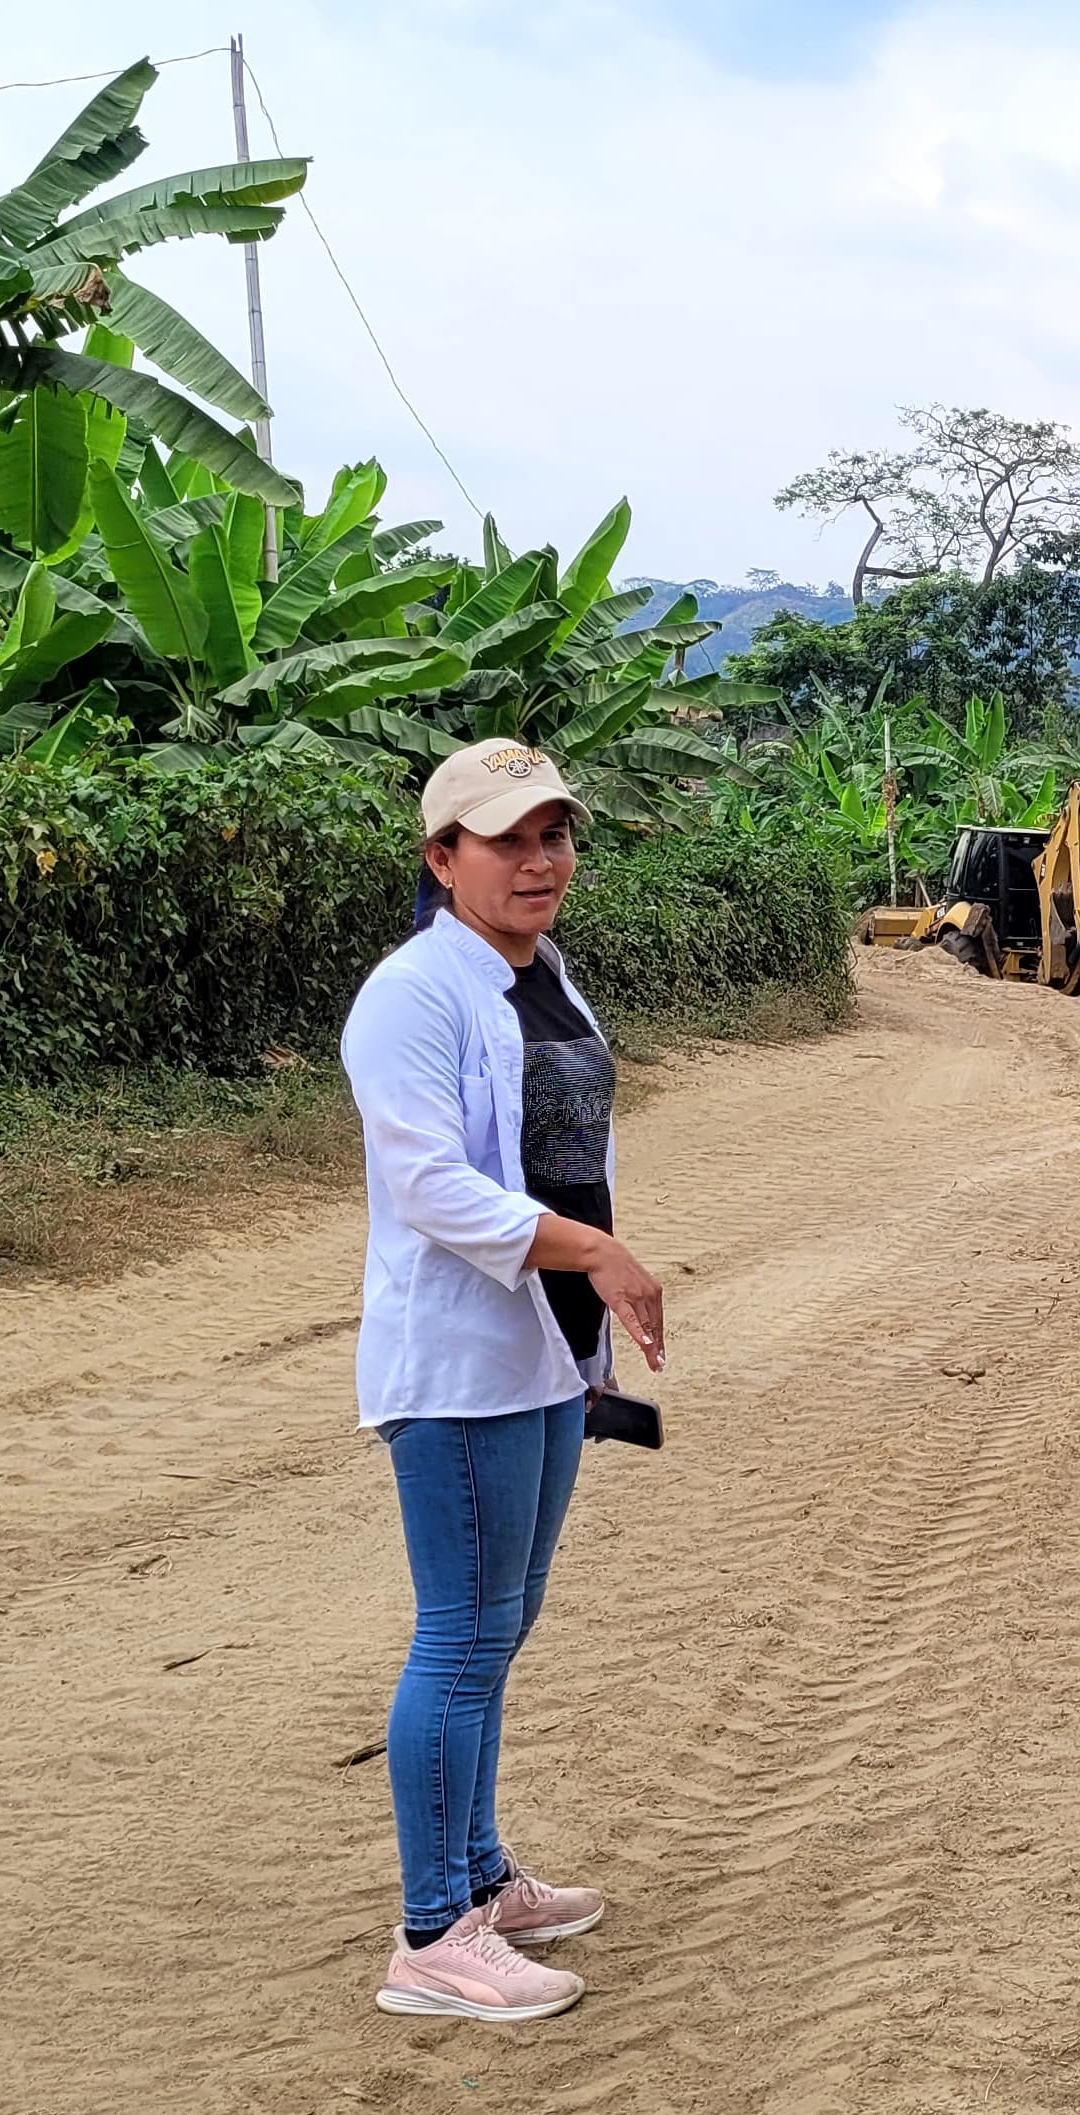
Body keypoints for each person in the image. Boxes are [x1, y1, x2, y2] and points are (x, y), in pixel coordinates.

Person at [341, 737, 669, 2023]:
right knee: (463, 1635)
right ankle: (433, 1934)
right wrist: (596, 1253)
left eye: (554, 835)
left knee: (504, 1622)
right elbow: (429, 1184)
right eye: (506, 841)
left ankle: (483, 1875)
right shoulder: (411, 994)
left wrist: (586, 1296)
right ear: (442, 858)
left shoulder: (540, 973)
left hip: (545, 1348)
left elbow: (560, 1149)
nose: (539, 862)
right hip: (461, 1361)